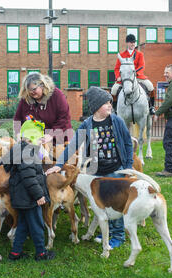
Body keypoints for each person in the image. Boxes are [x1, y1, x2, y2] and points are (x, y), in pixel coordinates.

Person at [46, 86, 133, 249]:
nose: (110, 105)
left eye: (110, 102)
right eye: (106, 103)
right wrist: (58, 165)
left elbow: (128, 143)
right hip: (97, 171)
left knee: (116, 202)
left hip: (116, 169)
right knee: (102, 203)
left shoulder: (117, 121)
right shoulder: (87, 124)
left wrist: (127, 167)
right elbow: (72, 146)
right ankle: (107, 230)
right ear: (96, 106)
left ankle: (118, 235)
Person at [3, 117, 54, 261]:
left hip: (21, 196)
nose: (42, 142)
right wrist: (39, 195)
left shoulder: (20, 149)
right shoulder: (28, 153)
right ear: (33, 137)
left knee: (23, 225)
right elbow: (29, 178)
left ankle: (15, 253)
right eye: (40, 139)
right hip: (29, 197)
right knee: (37, 225)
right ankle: (41, 253)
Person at [14, 72, 72, 145]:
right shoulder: (25, 99)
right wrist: (18, 134)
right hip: (35, 141)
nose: (31, 92)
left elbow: (64, 119)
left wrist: (51, 135)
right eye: (28, 90)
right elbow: (17, 119)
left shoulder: (57, 95)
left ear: (42, 85)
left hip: (59, 141)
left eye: (34, 89)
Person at [111, 34, 156, 115]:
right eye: (131, 42)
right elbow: (117, 68)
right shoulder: (121, 55)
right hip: (124, 78)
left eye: (134, 42)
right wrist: (118, 77)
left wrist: (136, 74)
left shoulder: (139, 54)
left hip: (138, 77)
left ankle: (151, 107)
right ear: (127, 43)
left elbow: (142, 66)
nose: (133, 44)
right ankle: (114, 110)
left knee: (151, 87)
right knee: (113, 90)